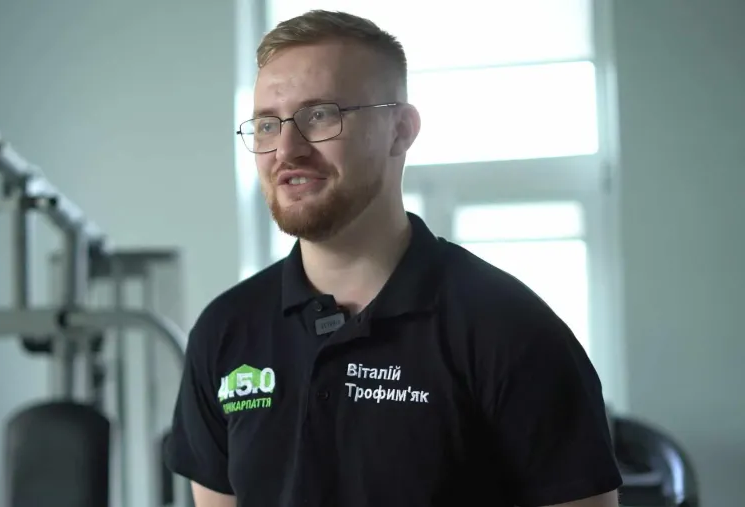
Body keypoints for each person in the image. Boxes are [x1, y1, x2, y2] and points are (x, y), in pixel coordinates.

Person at [163, 9, 622, 507]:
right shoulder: (225, 332)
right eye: (267, 124)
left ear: (400, 130)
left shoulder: (509, 330)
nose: (286, 149)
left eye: (320, 115)